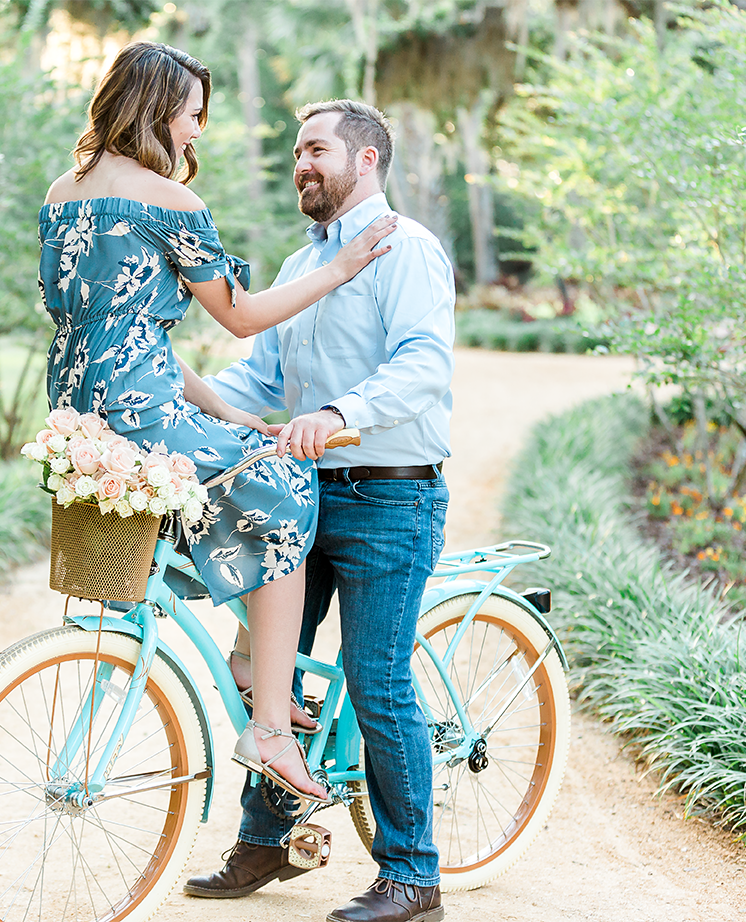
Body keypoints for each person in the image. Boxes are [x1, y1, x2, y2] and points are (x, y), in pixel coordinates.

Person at [37, 43, 396, 802]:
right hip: (141, 412)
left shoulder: (59, 191)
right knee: (289, 482)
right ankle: (266, 717)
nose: (196, 132)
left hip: (79, 411)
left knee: (245, 461)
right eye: (194, 116)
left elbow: (123, 340)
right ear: (160, 110)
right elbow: (237, 317)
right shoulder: (170, 203)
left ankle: (242, 656)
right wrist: (340, 269)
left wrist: (238, 414)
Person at [183, 99, 455, 922]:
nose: (301, 163)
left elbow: (423, 367)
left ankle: (413, 874)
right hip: (300, 494)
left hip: (390, 496)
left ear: (366, 160)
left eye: (316, 149)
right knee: (275, 676)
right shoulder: (304, 261)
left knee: (375, 683)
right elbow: (258, 383)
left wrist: (338, 416)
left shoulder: (408, 250)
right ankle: (267, 842)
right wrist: (190, 409)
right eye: (297, 151)